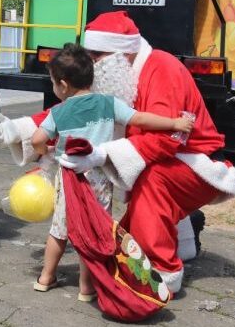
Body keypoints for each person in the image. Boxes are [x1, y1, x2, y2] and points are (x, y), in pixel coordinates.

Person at [0, 11, 235, 293]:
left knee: (152, 181)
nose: (92, 65)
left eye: (96, 56)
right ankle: (182, 240)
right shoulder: (113, 74)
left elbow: (167, 139)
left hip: (197, 164)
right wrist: (19, 128)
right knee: (126, 239)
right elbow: (72, 110)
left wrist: (102, 154)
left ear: (120, 54)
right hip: (167, 162)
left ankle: (162, 277)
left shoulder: (163, 68)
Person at [30, 43, 193, 301]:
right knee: (93, 231)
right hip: (99, 178)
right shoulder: (108, 104)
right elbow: (140, 119)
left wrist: (47, 150)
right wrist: (174, 123)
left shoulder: (58, 112)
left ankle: (46, 278)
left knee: (59, 230)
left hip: (69, 180)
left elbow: (37, 139)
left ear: (62, 84)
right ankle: (86, 288)